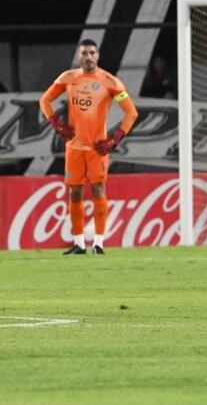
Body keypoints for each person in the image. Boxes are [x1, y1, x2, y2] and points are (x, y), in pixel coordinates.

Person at [39, 39, 139, 254]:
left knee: (98, 190)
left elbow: (132, 113)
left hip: (97, 149)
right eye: (84, 53)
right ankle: (79, 243)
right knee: (75, 193)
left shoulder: (110, 82)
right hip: (74, 147)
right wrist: (57, 124)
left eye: (92, 53)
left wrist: (115, 139)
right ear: (79, 55)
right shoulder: (68, 78)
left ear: (98, 55)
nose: (88, 57)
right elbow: (45, 100)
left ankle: (99, 243)